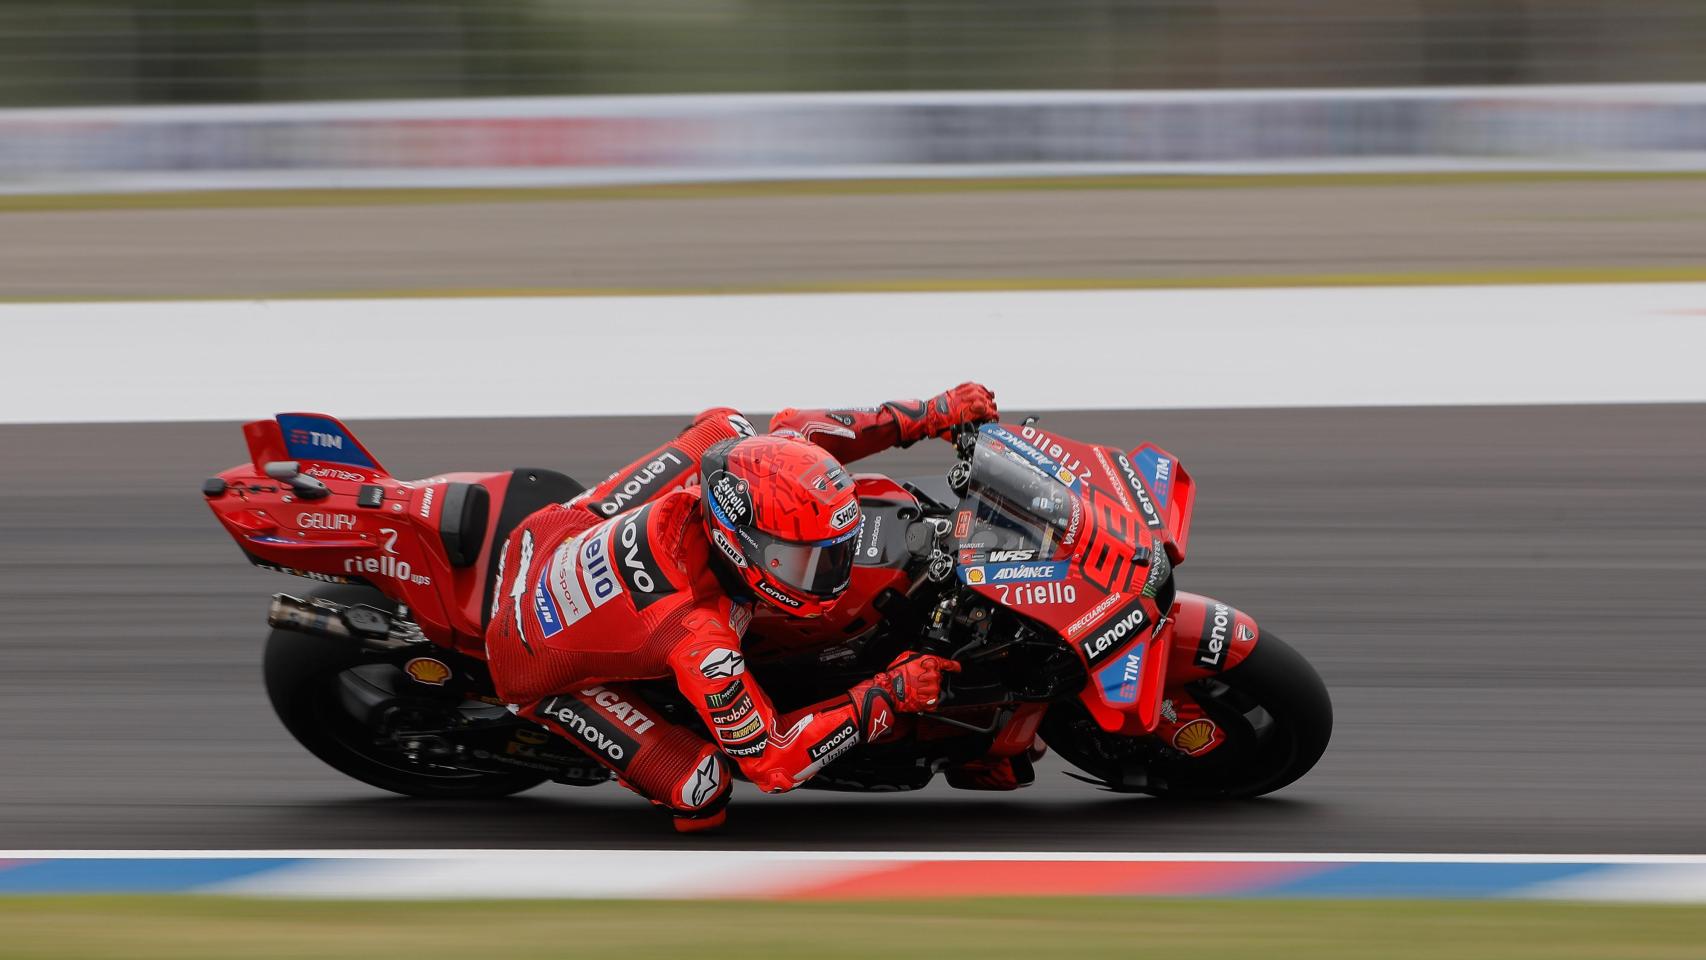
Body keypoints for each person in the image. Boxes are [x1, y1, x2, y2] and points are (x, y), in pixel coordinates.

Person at [485, 384, 998, 830]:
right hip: (528, 657)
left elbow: (802, 427)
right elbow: (773, 762)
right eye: (802, 562)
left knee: (723, 424)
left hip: (552, 531)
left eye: (837, 551)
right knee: (701, 790)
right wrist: (885, 695)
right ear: (739, 546)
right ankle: (552, 711)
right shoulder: (698, 637)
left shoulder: (745, 460)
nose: (830, 576)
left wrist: (935, 410)